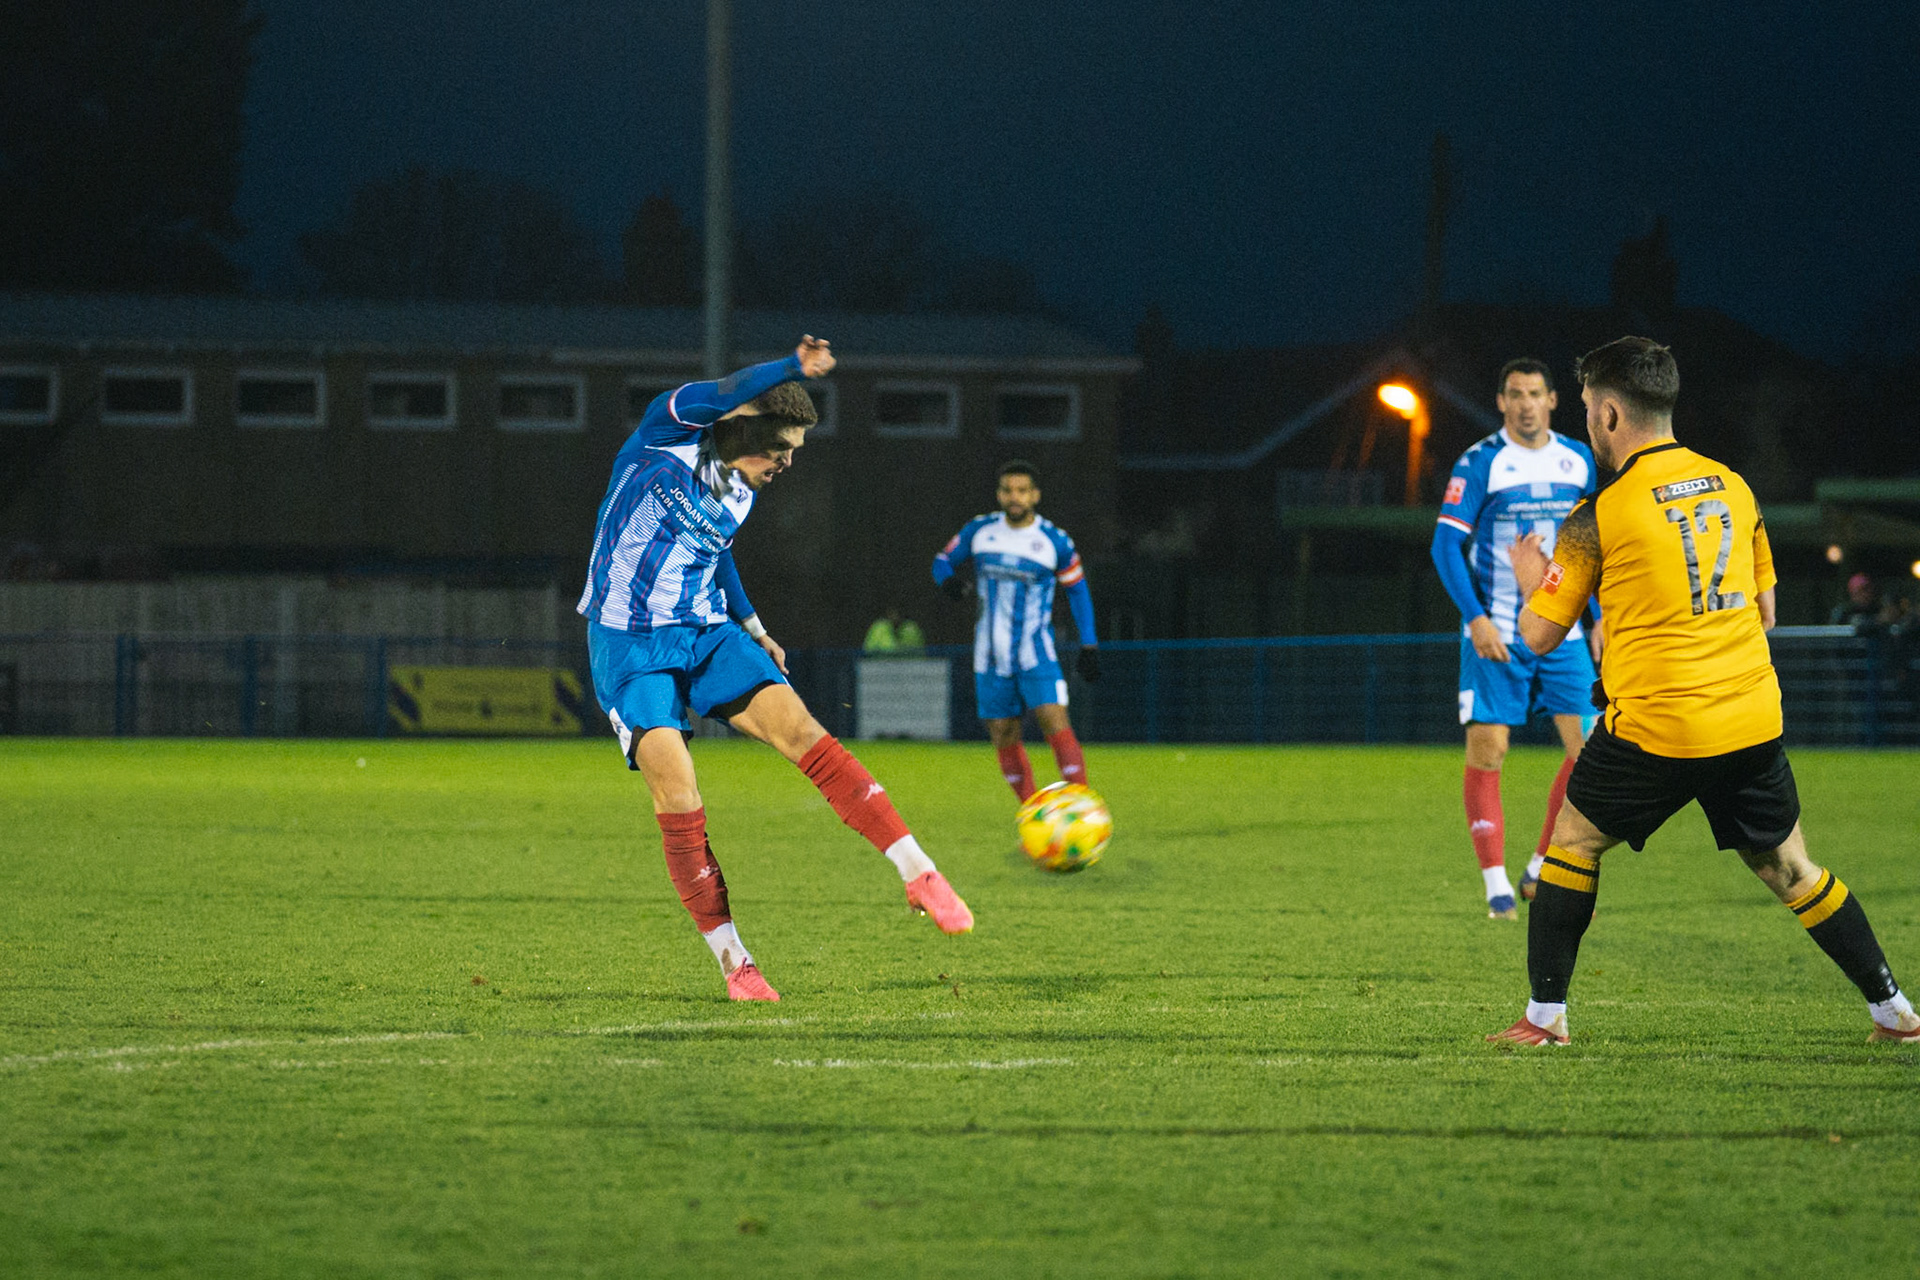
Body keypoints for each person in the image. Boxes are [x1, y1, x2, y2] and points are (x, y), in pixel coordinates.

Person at [1488, 336, 1918, 1046]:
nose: (1587, 422)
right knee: (1791, 867)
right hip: (1750, 721)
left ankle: (1544, 1020)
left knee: (1572, 843)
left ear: (1611, 413)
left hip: (1658, 727)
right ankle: (1895, 1012)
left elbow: (1536, 636)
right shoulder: (1733, 486)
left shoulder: (1598, 514)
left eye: (1589, 407)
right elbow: (1765, 610)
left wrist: (1535, 579)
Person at [578, 336, 973, 1004]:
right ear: (744, 425)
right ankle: (736, 962)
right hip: (629, 643)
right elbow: (727, 391)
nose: (789, 462)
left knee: (805, 733)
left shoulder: (740, 491)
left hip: (706, 631)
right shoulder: (668, 433)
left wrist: (756, 628)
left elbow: (717, 553)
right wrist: (793, 367)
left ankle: (919, 870)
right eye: (781, 447)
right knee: (679, 791)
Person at [1430, 358, 1601, 920]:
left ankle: (1538, 866)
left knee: (1590, 752)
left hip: (1562, 628)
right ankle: (1496, 886)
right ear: (1501, 402)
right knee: (1490, 748)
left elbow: (1588, 544)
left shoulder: (1578, 460)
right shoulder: (1481, 462)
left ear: (1553, 400)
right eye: (1515, 394)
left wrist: (1598, 616)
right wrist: (1476, 619)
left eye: (1534, 394)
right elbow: (1444, 546)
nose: (1525, 404)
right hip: (1499, 629)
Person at [931, 460, 1099, 802]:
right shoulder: (980, 531)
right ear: (999, 494)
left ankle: (1082, 807)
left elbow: (1078, 590)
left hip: (1036, 651)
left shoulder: (1054, 541)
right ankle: (1032, 810)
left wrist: (1089, 645)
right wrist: (948, 582)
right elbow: (941, 561)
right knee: (1003, 732)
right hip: (989, 655)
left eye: (1022, 490)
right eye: (1008, 490)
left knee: (1054, 720)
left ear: (1035, 495)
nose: (1015, 497)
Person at [862, 604, 926, 656]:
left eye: (896, 613)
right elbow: (870, 649)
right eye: (891, 613)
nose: (894, 616)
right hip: (878, 664)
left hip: (909, 665)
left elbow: (918, 651)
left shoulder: (911, 627)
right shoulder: (879, 627)